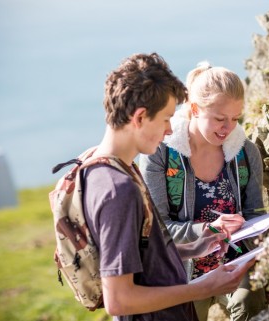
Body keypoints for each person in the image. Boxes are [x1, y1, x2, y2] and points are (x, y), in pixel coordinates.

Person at [82, 53, 254, 321]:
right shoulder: (119, 189)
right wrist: (201, 287)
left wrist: (192, 248)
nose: (170, 131)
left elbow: (140, 254)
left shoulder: (94, 167)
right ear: (140, 117)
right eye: (166, 119)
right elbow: (118, 300)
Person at [139, 62, 267, 321]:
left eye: (235, 119)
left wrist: (258, 243)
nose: (228, 127)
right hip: (181, 272)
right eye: (220, 119)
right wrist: (209, 229)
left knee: (249, 303)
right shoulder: (160, 154)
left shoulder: (245, 152)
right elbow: (160, 229)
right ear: (195, 109)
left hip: (235, 264)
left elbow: (255, 213)